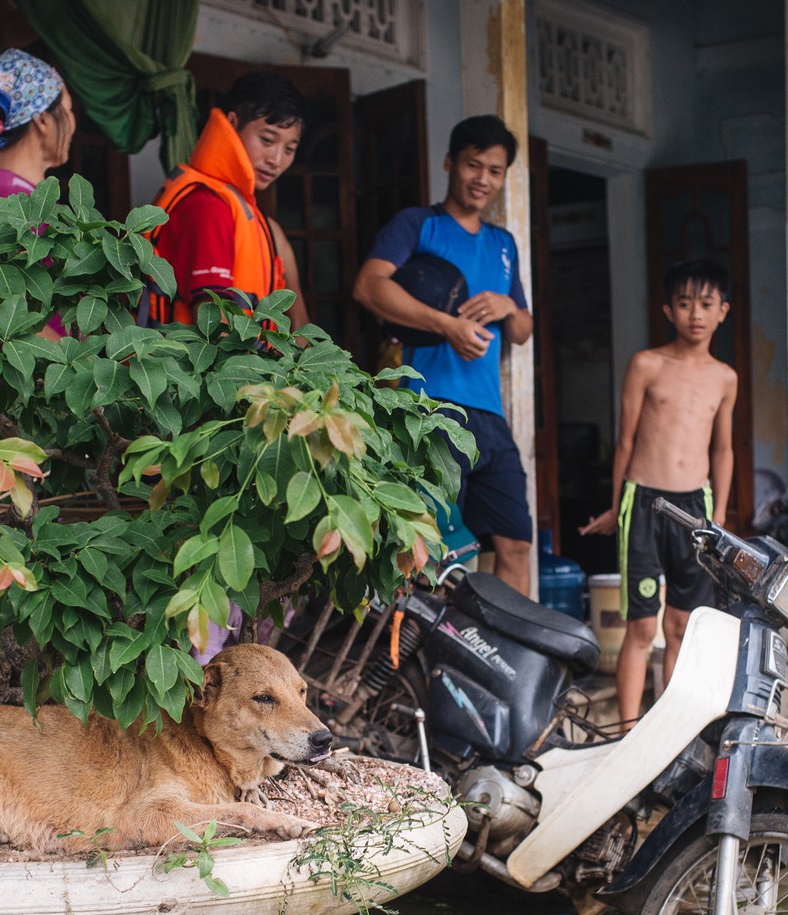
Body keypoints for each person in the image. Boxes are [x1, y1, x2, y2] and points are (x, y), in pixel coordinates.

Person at [353, 115, 534, 596]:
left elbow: (522, 331)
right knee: (421, 545)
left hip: (489, 417)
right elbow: (369, 287)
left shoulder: (504, 244)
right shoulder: (418, 224)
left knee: (516, 543)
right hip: (427, 409)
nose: (483, 179)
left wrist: (509, 305)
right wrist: (447, 325)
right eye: (474, 165)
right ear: (450, 162)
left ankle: (502, 660)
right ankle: (411, 655)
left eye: (495, 171)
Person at [579, 258, 738, 726]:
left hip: (696, 509)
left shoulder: (724, 377)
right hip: (644, 503)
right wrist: (616, 507)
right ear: (668, 309)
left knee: (682, 625)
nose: (695, 314)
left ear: (722, 312)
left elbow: (724, 448)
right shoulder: (646, 364)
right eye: (685, 303)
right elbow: (625, 440)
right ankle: (629, 730)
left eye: (706, 304)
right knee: (643, 625)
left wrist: (720, 516)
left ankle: (668, 732)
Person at [151, 72, 308, 325]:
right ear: (232, 123)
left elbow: (300, 326)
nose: (276, 160)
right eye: (267, 140)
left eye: (289, 149)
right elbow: (214, 328)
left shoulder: (260, 222)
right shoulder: (207, 204)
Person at [0, 48, 76, 338]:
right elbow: (6, 316)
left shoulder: (15, 192)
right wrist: (82, 368)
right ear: (44, 120)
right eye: (69, 110)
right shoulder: (6, 200)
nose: (73, 123)